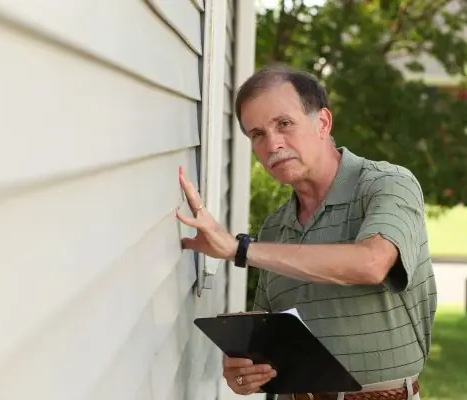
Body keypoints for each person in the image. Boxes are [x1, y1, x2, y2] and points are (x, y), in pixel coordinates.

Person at [176, 64, 437, 400]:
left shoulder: (387, 184)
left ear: (323, 123)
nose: (272, 144)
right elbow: (269, 344)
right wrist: (246, 374)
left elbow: (373, 262)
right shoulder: (274, 227)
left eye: (284, 124)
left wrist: (239, 249)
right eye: (257, 134)